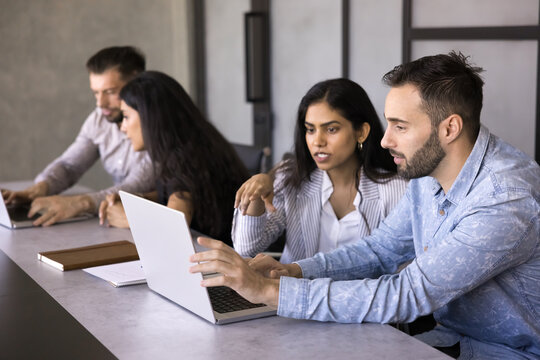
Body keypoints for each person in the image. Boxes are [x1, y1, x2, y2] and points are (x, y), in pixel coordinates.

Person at [189, 52, 540, 359]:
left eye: (400, 126)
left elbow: (407, 293)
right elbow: (379, 251)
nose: (385, 140)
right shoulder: (428, 172)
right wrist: (294, 271)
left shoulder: (505, 198)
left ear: (449, 129)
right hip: (449, 341)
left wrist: (270, 292)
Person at [233, 78, 407, 263]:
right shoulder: (291, 179)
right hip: (290, 290)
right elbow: (247, 248)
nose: (317, 141)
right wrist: (256, 196)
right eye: (310, 130)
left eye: (331, 129)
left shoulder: (396, 191)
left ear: (361, 132)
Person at [1, 46, 154, 226]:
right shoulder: (99, 118)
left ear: (138, 83)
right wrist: (38, 189)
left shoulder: (160, 125)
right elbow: (69, 165)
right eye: (96, 92)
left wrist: (80, 203)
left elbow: (135, 188)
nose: (100, 103)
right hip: (121, 222)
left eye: (110, 92)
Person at [99, 71, 249, 245]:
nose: (122, 127)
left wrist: (128, 218)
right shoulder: (193, 142)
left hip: (218, 259)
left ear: (150, 117)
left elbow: (173, 230)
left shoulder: (184, 159)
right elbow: (180, 193)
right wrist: (136, 200)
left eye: (126, 117)